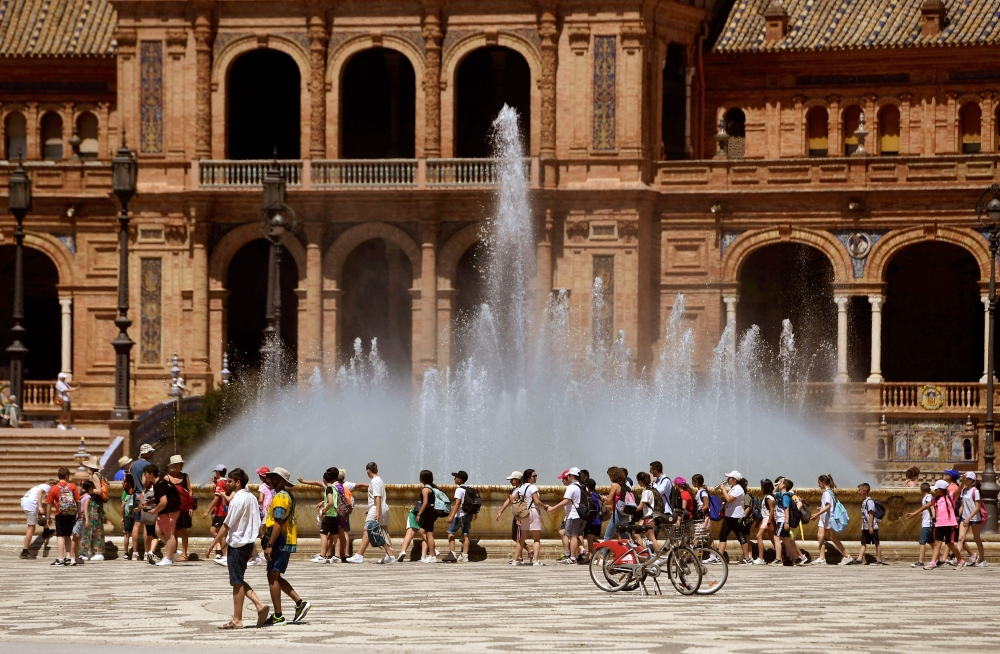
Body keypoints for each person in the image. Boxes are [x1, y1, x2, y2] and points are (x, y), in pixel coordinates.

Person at [204, 468, 270, 629]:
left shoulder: (238, 500)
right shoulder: (252, 498)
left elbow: (227, 525)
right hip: (248, 543)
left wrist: (213, 544)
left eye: (231, 481)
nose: (227, 484)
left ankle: (238, 619)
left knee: (236, 582)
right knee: (238, 580)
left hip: (237, 544)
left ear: (238, 482)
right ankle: (259, 605)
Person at [262, 467, 311, 626]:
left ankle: (278, 616)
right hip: (284, 541)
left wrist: (270, 544)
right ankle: (299, 603)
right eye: (271, 477)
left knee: (272, 577)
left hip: (280, 541)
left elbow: (278, 522)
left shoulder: (281, 497)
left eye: (275, 478)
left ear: (283, 481)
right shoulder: (286, 495)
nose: (270, 480)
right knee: (275, 576)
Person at [346, 461, 395, 564]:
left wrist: (376, 511)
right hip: (382, 507)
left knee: (367, 530)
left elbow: (378, 496)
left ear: (368, 471)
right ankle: (390, 555)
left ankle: (359, 555)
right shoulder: (380, 480)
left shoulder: (374, 481)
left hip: (377, 508)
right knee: (384, 532)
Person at [547, 467, 584, 565]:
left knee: (573, 536)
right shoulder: (581, 486)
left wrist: (552, 508)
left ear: (571, 476)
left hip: (573, 515)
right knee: (575, 536)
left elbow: (566, 501)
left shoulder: (571, 487)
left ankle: (572, 557)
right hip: (580, 515)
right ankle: (577, 554)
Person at [44, 467, 80, 566]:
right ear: (67, 476)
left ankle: (60, 558)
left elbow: (49, 503)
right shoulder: (72, 486)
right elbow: (78, 500)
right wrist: (79, 513)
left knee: (60, 535)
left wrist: (48, 517)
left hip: (60, 513)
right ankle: (68, 557)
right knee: (68, 534)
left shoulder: (54, 488)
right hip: (71, 514)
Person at [147, 464, 180, 566]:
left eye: (145, 474)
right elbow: (162, 497)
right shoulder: (159, 483)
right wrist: (149, 502)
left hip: (169, 511)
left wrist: (154, 510)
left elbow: (163, 502)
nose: (144, 476)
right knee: (158, 531)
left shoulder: (160, 484)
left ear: (151, 474)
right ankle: (173, 551)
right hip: (165, 512)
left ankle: (169, 558)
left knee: (168, 534)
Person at [811, 474, 849, 565]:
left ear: (823, 482)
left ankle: (847, 556)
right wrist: (821, 508)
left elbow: (828, 506)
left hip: (827, 518)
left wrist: (817, 514)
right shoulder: (829, 492)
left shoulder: (827, 493)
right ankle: (822, 558)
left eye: (819, 483)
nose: (818, 485)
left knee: (832, 537)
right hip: (824, 518)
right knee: (820, 535)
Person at [925, 480, 962, 570]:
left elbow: (958, 490)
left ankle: (960, 561)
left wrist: (963, 483)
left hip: (949, 524)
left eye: (936, 489)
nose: (935, 491)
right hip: (939, 524)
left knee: (950, 544)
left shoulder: (950, 496)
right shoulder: (936, 499)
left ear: (941, 490)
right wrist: (914, 513)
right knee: (937, 543)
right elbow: (926, 506)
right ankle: (933, 562)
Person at [716, 471, 751, 565]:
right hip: (729, 516)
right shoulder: (733, 488)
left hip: (736, 517)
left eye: (729, 478)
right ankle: (720, 557)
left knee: (741, 537)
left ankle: (747, 558)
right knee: (722, 535)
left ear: (734, 479)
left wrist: (723, 489)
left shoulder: (738, 489)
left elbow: (729, 499)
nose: (727, 479)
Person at [165, 455, 193, 561]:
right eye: (179, 464)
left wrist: (191, 506)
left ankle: (184, 554)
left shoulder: (185, 476)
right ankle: (174, 552)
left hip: (184, 507)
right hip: (173, 508)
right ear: (173, 465)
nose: (181, 466)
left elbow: (190, 491)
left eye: (181, 464)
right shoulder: (167, 478)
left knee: (183, 530)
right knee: (174, 531)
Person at [495, 470, 526, 564]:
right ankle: (521, 555)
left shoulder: (522, 489)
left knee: (518, 536)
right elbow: (508, 501)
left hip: (520, 514)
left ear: (517, 480)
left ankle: (525, 553)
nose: (510, 481)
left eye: (512, 480)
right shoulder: (514, 490)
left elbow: (514, 500)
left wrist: (510, 496)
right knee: (516, 536)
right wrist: (500, 512)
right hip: (517, 514)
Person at [956, 472, 986, 568]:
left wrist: (968, 519)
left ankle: (982, 559)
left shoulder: (975, 491)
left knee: (976, 538)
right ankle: (957, 559)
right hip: (965, 517)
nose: (964, 480)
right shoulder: (963, 490)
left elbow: (977, 507)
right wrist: (958, 516)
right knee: (960, 538)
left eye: (966, 479)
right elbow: (962, 505)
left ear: (971, 480)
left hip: (974, 518)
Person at [443, 470, 472, 563]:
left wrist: (452, 516)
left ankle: (452, 554)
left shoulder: (459, 490)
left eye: (456, 477)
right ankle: (465, 556)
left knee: (450, 532)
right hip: (469, 514)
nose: (454, 479)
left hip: (460, 515)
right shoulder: (469, 489)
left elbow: (457, 503)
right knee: (466, 534)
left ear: (459, 480)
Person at [20, 479, 53, 558]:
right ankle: (24, 551)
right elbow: (39, 493)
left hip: (25, 502)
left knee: (45, 506)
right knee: (31, 528)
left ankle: (46, 530)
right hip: (30, 505)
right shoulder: (47, 487)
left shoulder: (39, 486)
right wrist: (40, 506)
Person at [203, 464, 229, 563]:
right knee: (218, 532)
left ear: (217, 472)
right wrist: (215, 482)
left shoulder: (220, 483)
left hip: (221, 511)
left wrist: (207, 511)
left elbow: (216, 498)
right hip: (224, 510)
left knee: (216, 532)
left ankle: (225, 554)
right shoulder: (225, 481)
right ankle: (224, 553)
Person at [905, 482, 935, 568]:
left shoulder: (928, 498)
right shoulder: (927, 497)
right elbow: (925, 509)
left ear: (921, 490)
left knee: (922, 542)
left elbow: (931, 507)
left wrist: (933, 518)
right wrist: (914, 515)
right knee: (931, 542)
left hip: (927, 523)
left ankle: (920, 561)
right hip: (928, 523)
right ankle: (939, 558)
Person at [854, 482, 885, 565]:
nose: (858, 491)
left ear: (864, 491)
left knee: (876, 543)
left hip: (872, 526)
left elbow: (871, 514)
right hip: (865, 526)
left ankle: (879, 560)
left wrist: (870, 526)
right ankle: (859, 559)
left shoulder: (869, 501)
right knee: (863, 543)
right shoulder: (864, 501)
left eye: (859, 490)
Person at [415, 470, 440, 563]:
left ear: (423, 478)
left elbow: (425, 503)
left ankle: (432, 555)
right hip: (431, 511)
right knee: (422, 530)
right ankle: (433, 550)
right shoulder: (432, 487)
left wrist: (419, 514)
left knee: (429, 533)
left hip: (429, 512)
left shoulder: (426, 489)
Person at [634, 472, 660, 551]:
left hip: (649, 517)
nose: (638, 483)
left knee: (652, 537)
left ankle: (658, 556)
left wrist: (630, 509)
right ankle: (642, 552)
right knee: (637, 533)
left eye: (638, 481)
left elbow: (640, 507)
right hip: (647, 517)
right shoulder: (651, 489)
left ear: (641, 481)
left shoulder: (646, 492)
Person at [753, 479, 776, 565]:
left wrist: (769, 522)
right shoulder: (770, 496)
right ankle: (780, 557)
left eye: (762, 486)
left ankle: (761, 558)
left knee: (758, 536)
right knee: (773, 539)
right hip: (767, 519)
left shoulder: (768, 498)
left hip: (767, 519)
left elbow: (771, 510)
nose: (761, 488)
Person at [603, 466, 626, 540]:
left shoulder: (614, 485)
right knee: (623, 538)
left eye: (609, 475)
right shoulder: (623, 485)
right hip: (625, 515)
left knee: (607, 537)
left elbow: (609, 500)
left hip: (617, 514)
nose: (609, 478)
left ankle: (604, 552)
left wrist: (603, 497)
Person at [121, 474, 138, 560]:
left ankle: (126, 552)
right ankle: (136, 552)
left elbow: (122, 506)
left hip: (127, 515)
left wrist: (122, 516)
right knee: (135, 532)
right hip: (135, 514)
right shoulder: (135, 491)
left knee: (127, 534)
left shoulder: (125, 492)